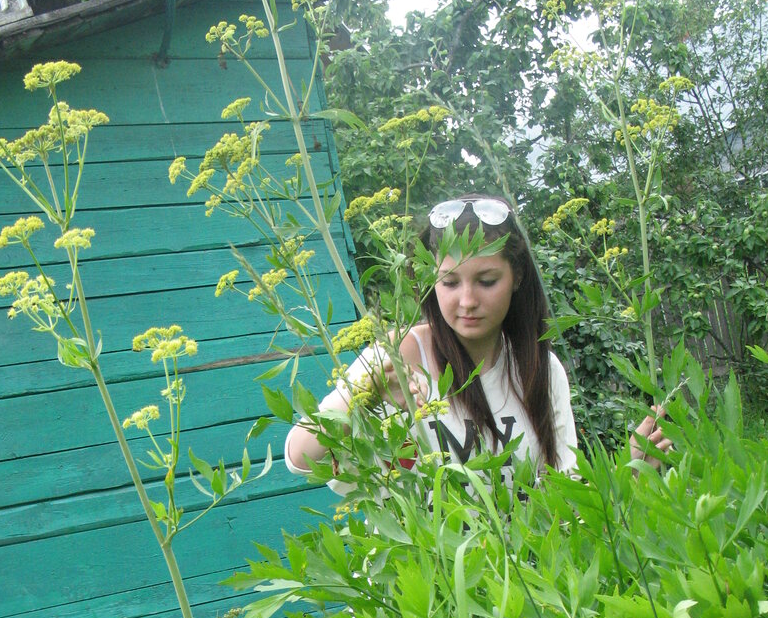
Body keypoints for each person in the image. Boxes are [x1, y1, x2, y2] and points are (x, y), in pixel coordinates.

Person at [284, 194, 669, 485]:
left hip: (520, 582)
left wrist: (628, 473)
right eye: (449, 282)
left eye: (486, 281)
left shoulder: (539, 368)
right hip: (420, 581)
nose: (467, 301)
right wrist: (362, 397)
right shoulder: (396, 357)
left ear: (517, 276)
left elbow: (566, 494)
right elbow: (300, 457)